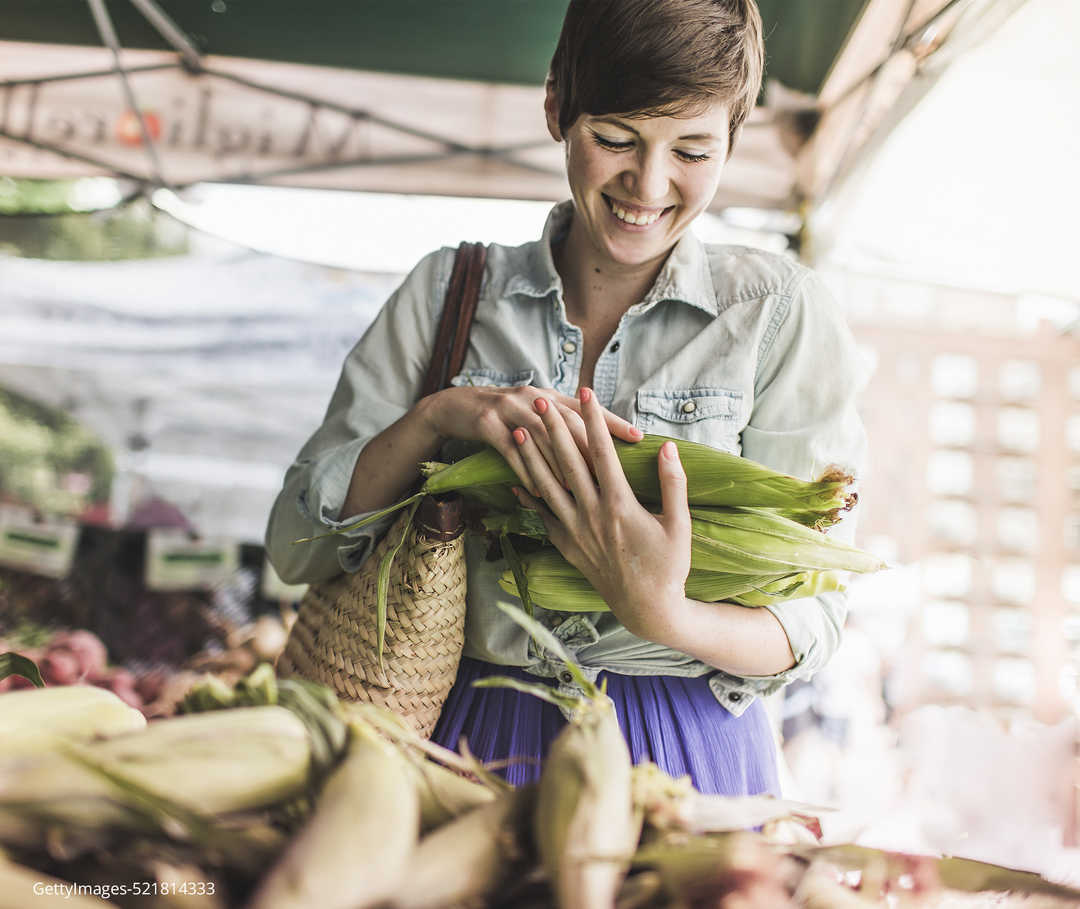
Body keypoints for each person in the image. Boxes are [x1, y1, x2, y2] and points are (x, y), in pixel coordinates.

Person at [265, 0, 866, 797]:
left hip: (684, 754)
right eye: (614, 138)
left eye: (692, 149)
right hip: (460, 737)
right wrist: (436, 420)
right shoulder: (447, 294)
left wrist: (664, 614)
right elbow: (296, 546)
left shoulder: (777, 317)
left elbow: (815, 621)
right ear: (557, 107)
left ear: (734, 136)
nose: (647, 185)